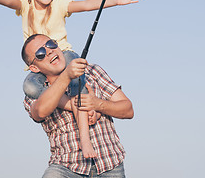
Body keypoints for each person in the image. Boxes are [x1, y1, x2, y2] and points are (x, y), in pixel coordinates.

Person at [0, 0, 142, 157]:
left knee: (77, 83)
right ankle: (72, 105)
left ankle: (85, 139)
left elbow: (85, 4)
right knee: (30, 88)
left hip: (64, 55)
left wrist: (115, 0)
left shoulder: (59, 4)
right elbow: (7, 0)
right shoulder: (25, 4)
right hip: (41, 65)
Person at [21, 34, 134, 177]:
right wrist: (66, 76)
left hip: (110, 164)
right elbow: (41, 111)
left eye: (50, 44)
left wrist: (97, 104)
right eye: (40, 54)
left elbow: (128, 110)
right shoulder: (33, 93)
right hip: (66, 167)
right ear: (34, 67)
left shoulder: (91, 71)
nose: (49, 51)